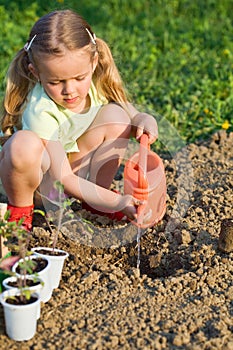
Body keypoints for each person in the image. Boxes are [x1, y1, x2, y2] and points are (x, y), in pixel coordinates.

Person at [0, 9, 158, 231]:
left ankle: (95, 200)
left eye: (79, 78)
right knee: (23, 145)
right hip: (40, 185)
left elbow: (130, 113)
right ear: (36, 73)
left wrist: (144, 119)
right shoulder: (40, 110)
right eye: (56, 82)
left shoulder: (94, 82)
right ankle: (20, 214)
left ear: (93, 63)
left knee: (117, 118)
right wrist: (119, 201)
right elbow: (62, 177)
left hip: (70, 174)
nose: (70, 90)